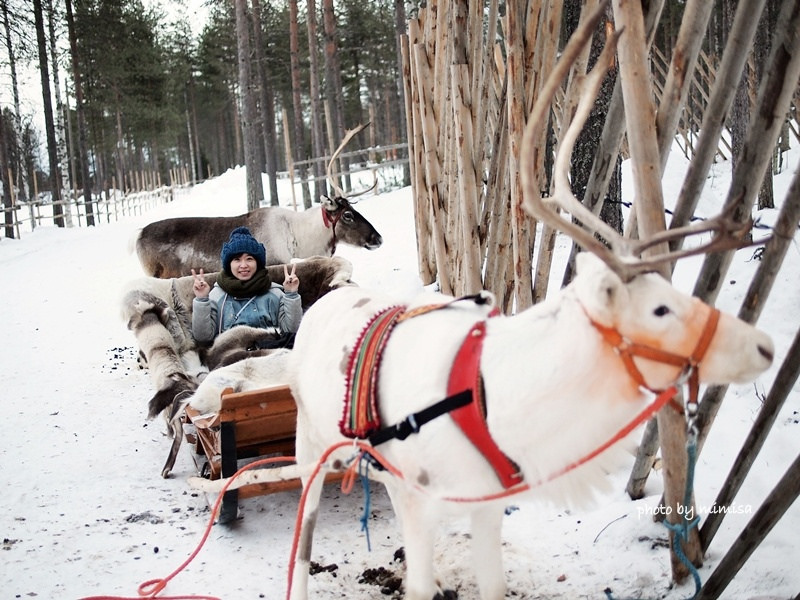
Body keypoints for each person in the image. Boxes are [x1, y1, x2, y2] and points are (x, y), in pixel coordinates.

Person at [191, 226, 302, 347]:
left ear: (257, 263)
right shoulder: (216, 296)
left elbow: (292, 332)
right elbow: (202, 338)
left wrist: (291, 295)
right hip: (231, 359)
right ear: (229, 264)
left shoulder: (274, 294)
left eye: (249, 259)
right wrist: (202, 300)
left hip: (269, 355)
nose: (243, 265)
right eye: (237, 259)